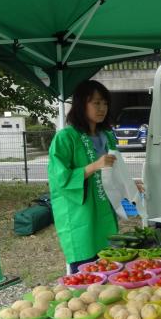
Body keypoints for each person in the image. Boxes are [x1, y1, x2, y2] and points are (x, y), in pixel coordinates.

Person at [48, 80, 118, 273]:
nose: (102, 108)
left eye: (105, 103)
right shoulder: (65, 138)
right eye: (96, 103)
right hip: (80, 213)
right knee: (85, 273)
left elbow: (114, 171)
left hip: (104, 208)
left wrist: (128, 186)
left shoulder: (108, 135)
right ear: (81, 104)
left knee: (108, 266)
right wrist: (95, 166)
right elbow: (60, 179)